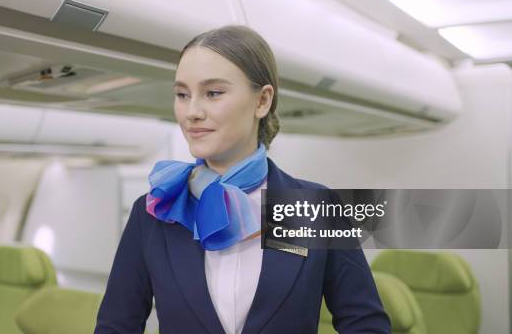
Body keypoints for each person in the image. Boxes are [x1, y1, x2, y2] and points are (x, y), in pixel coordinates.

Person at [94, 25, 390, 334]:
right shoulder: (156, 212)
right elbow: (116, 326)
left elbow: (365, 324)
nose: (192, 111)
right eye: (182, 94)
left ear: (262, 101)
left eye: (213, 93)